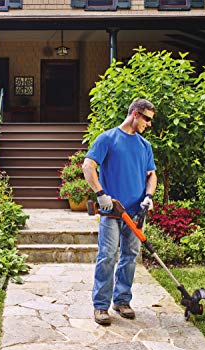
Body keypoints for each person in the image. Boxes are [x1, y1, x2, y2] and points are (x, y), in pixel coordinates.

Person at [82, 98, 157, 326]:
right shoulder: (108, 138)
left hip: (135, 213)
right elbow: (88, 165)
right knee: (107, 256)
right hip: (112, 211)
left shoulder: (144, 146)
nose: (148, 124)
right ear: (135, 114)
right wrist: (100, 193)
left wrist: (149, 197)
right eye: (146, 118)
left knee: (130, 256)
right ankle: (101, 305)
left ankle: (122, 300)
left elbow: (151, 175)